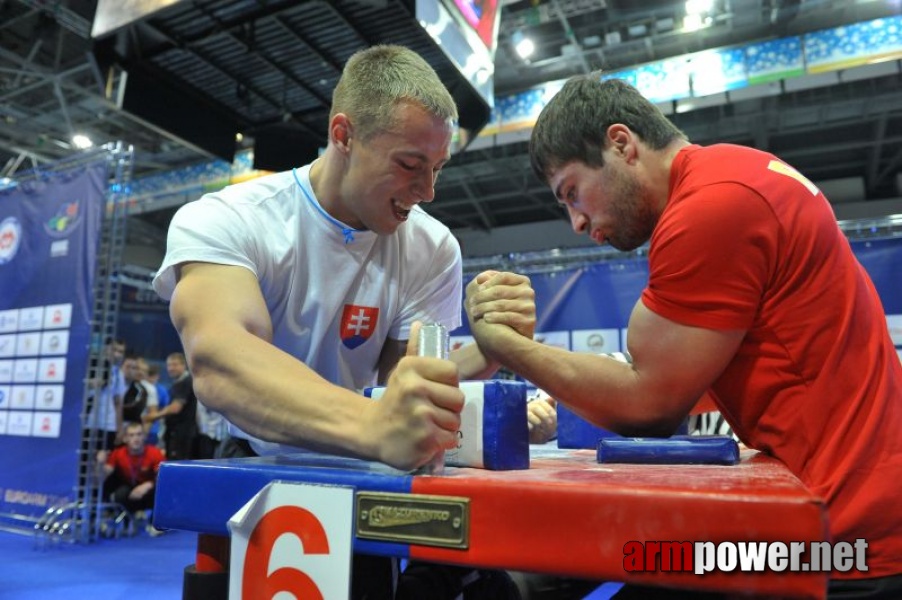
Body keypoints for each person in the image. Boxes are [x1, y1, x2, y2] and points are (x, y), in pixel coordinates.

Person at [466, 76, 902, 598]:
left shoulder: (711, 206)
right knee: (621, 570)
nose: (577, 222)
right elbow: (697, 375)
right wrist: (562, 410)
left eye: (572, 192)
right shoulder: (733, 173)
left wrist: (503, 343)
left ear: (622, 144)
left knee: (601, 567)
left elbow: (649, 406)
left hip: (842, 539)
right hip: (845, 512)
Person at [151, 44, 534, 599]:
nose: (427, 192)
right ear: (343, 135)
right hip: (260, 464)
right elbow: (221, 360)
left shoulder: (430, 247)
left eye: (437, 169)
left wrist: (496, 347)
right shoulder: (229, 219)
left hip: (364, 469)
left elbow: (411, 381)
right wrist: (376, 428)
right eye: (410, 165)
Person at [98, 421, 164, 517]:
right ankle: (123, 518)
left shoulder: (155, 453)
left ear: (144, 437)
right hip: (129, 486)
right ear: (125, 439)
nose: (135, 438)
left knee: (159, 491)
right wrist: (100, 464)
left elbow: (164, 478)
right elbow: (102, 476)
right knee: (118, 493)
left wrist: (148, 485)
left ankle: (155, 520)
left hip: (149, 488)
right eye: (131, 435)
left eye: (139, 434)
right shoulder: (118, 453)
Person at [145, 352, 198, 461]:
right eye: (169, 365)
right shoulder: (177, 383)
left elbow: (175, 408)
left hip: (181, 435)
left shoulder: (185, 381)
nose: (171, 368)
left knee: (178, 465)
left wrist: (153, 416)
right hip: (176, 433)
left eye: (174, 365)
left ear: (184, 365)